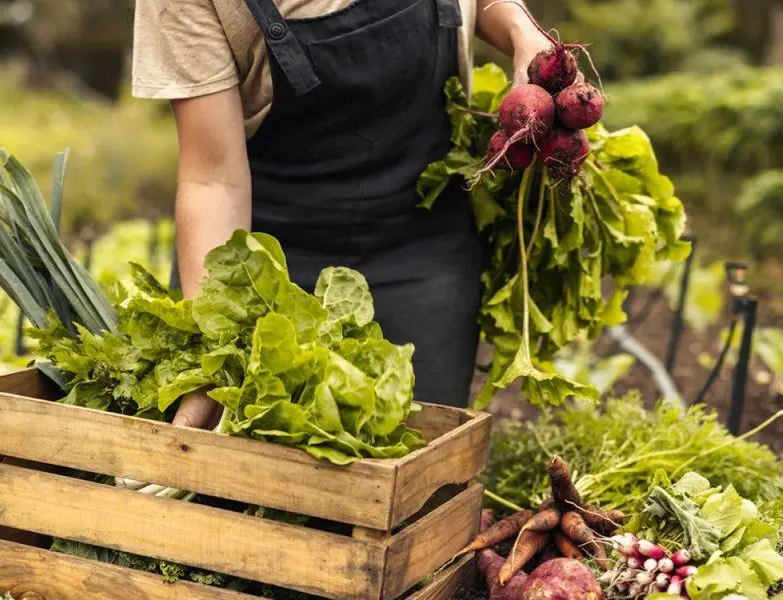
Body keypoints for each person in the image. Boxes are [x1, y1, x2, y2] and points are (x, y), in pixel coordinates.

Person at [132, 0, 552, 429]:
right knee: (245, 481)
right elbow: (213, 181)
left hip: (426, 252)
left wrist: (520, 28)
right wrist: (214, 345)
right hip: (267, 275)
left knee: (417, 472)